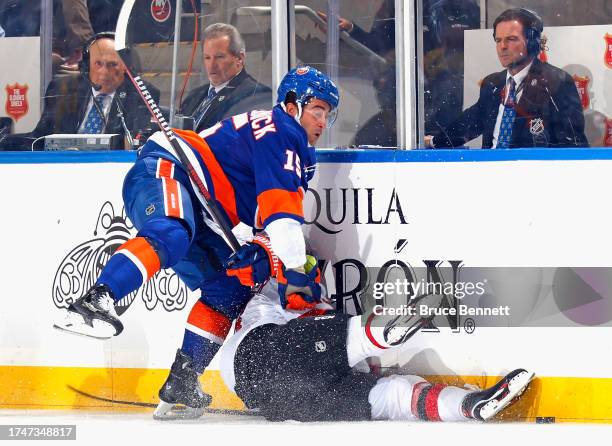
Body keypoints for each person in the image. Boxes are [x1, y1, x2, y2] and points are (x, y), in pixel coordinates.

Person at [54, 65, 340, 413]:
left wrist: (274, 262)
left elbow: (274, 223)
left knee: (231, 286)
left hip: (204, 208)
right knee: (172, 231)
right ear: (293, 104)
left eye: (328, 114)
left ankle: (183, 378)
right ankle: (97, 299)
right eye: (318, 110)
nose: (324, 122)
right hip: (170, 169)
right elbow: (282, 220)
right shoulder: (281, 132)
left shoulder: (298, 153)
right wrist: (294, 275)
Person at [156, 279, 535, 422]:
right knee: (349, 334)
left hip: (275, 402)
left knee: (395, 396)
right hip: (259, 357)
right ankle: (393, 326)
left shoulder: (294, 301)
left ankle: (469, 407)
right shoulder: (265, 293)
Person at [426, 8, 588, 149]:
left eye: (511, 39)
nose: (502, 47)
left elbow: (572, 142)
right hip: (489, 169)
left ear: (532, 41)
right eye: (498, 40)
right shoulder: (492, 83)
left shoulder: (556, 81)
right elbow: (470, 123)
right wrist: (433, 141)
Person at [2, 33, 159, 150]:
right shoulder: (63, 88)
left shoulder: (142, 94)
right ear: (85, 66)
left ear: (126, 68)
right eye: (98, 64)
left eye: (112, 65)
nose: (104, 72)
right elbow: (41, 136)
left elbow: (136, 143)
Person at [179, 23, 272, 133]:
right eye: (207, 57)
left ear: (240, 58)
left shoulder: (256, 95)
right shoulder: (194, 96)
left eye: (219, 57)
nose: (212, 65)